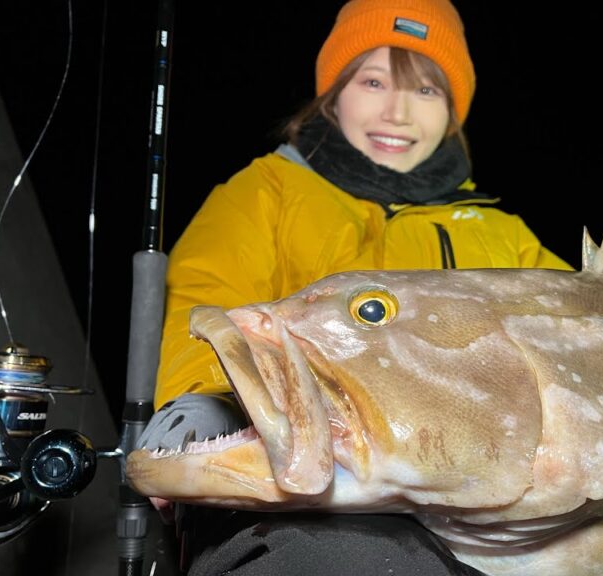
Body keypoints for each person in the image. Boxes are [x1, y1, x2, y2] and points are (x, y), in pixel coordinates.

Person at [140, 0, 572, 573]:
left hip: (481, 494)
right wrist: (199, 401)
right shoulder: (267, 190)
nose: (396, 111)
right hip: (315, 476)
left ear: (452, 114)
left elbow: (587, 335)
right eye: (373, 81)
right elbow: (204, 298)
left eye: (425, 91)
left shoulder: (506, 235)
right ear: (334, 93)